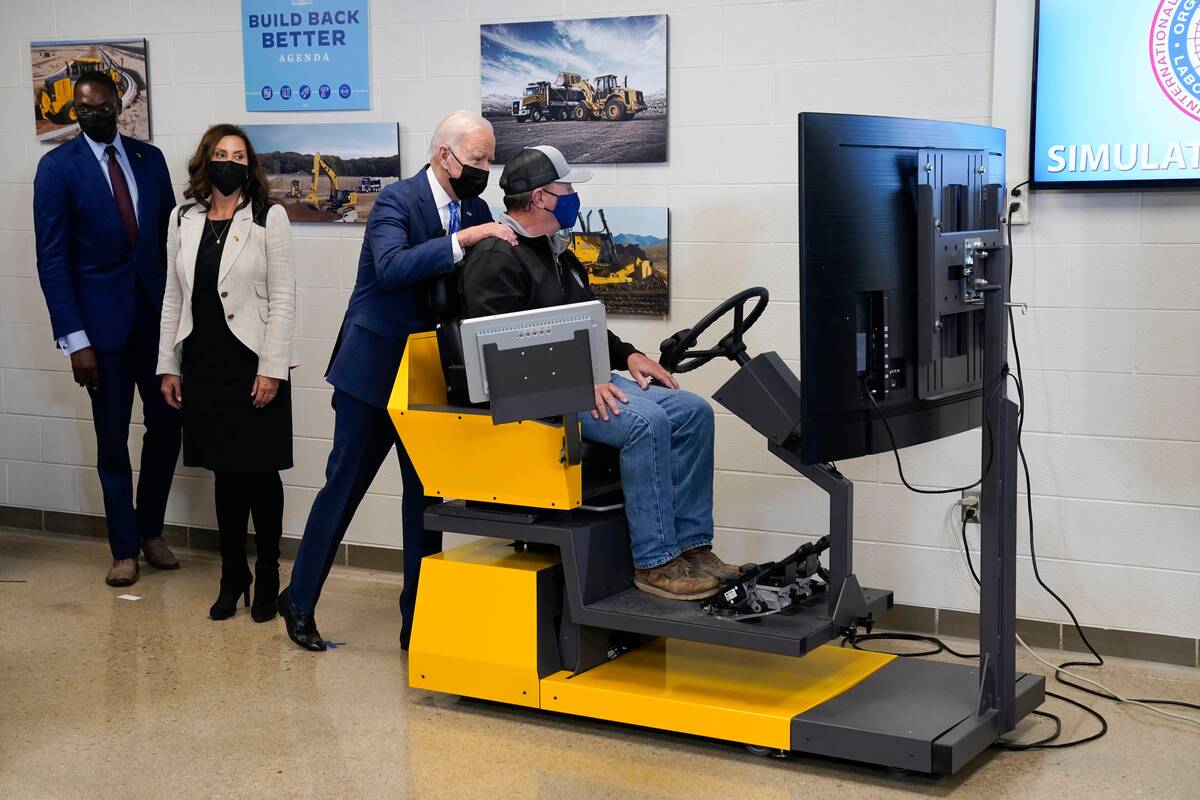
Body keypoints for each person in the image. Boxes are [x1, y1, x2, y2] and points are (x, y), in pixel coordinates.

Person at [277, 111, 518, 651]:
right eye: (477, 160)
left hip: (429, 376)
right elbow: (390, 267)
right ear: (443, 156)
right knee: (344, 489)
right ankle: (298, 600)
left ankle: (418, 617)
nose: (485, 170)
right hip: (372, 371)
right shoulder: (397, 202)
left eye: (488, 160)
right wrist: (465, 239)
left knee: (424, 501)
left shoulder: (474, 205)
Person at [459, 146, 739, 601]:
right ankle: (656, 562)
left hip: (581, 378)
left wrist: (628, 355)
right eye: (566, 188)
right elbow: (499, 352)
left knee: (692, 411)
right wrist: (571, 383)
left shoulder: (559, 253)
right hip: (529, 390)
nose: (573, 197)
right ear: (538, 198)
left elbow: (585, 324)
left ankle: (693, 549)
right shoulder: (496, 257)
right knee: (646, 423)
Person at [33, 72, 182, 587]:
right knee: (112, 441)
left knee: (166, 427)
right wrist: (76, 341)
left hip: (156, 325)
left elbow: (170, 242)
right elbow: (52, 261)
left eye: (99, 105)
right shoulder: (57, 169)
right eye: (81, 108)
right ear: (75, 111)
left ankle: (151, 530)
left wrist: (181, 320)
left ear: (119, 103)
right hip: (101, 335)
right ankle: (124, 548)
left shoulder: (151, 159)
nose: (91, 114)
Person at [157, 124, 297, 622]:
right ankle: (232, 573)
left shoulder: (268, 216)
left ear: (249, 164)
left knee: (259, 473)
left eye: (239, 155)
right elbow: (173, 297)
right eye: (221, 154)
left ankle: (268, 573)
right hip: (203, 361)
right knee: (224, 472)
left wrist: (272, 368)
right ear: (206, 160)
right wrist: (167, 364)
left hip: (253, 361)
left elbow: (283, 298)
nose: (229, 162)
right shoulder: (184, 218)